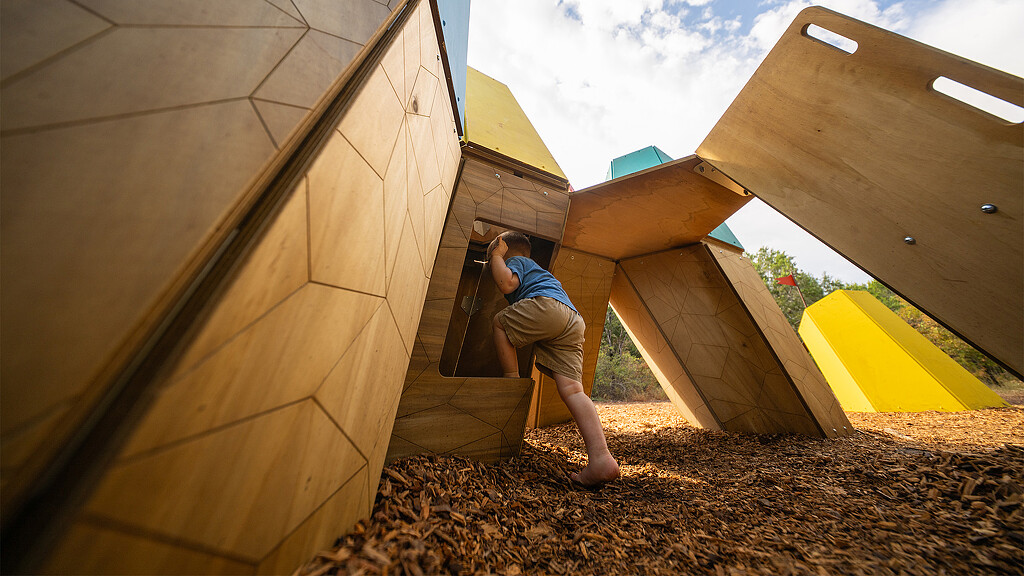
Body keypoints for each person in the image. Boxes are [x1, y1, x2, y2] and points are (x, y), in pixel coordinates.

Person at [487, 231, 619, 486]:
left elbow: (506, 284)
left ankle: (511, 380)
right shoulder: (540, 272)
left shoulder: (518, 262)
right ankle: (601, 458)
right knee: (573, 390)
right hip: (572, 320)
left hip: (549, 309)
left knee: (499, 323)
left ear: (507, 252)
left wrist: (496, 256)